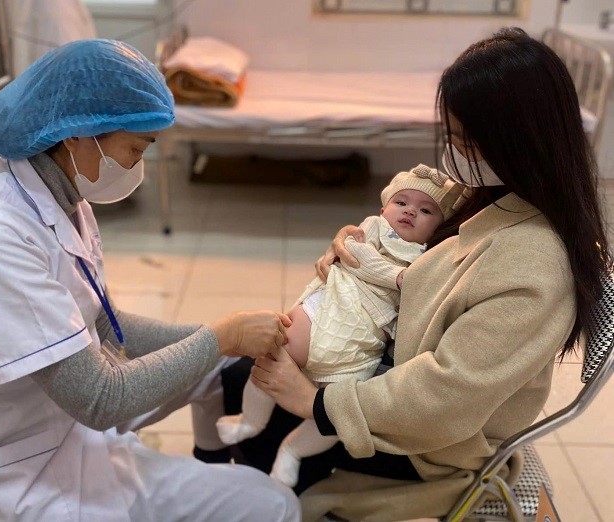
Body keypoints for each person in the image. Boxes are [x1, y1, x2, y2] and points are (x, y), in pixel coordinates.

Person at [221, 27, 612, 521]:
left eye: (466, 140)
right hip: (395, 363)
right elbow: (415, 239)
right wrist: (357, 239)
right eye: (451, 136)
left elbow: (444, 397)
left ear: (518, 142)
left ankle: (263, 503)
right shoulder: (494, 198)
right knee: (248, 368)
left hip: (433, 437)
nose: (453, 152)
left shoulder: (534, 267)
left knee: (246, 384)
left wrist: (314, 403)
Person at [0, 40, 300, 521]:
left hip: (68, 426)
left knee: (223, 375)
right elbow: (99, 399)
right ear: (78, 134)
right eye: (134, 149)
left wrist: (226, 342)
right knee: (273, 504)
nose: (137, 166)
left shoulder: (62, 196)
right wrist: (220, 337)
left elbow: (109, 325)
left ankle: (210, 462)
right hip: (15, 473)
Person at [216, 165, 465, 487]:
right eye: (401, 202)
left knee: (337, 415)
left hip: (361, 345)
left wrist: (413, 281)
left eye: (426, 210)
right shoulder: (372, 229)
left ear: (439, 229)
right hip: (329, 312)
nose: (410, 211)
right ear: (383, 209)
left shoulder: (430, 258)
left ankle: (292, 451)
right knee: (269, 360)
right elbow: (356, 258)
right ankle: (251, 421)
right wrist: (400, 278)